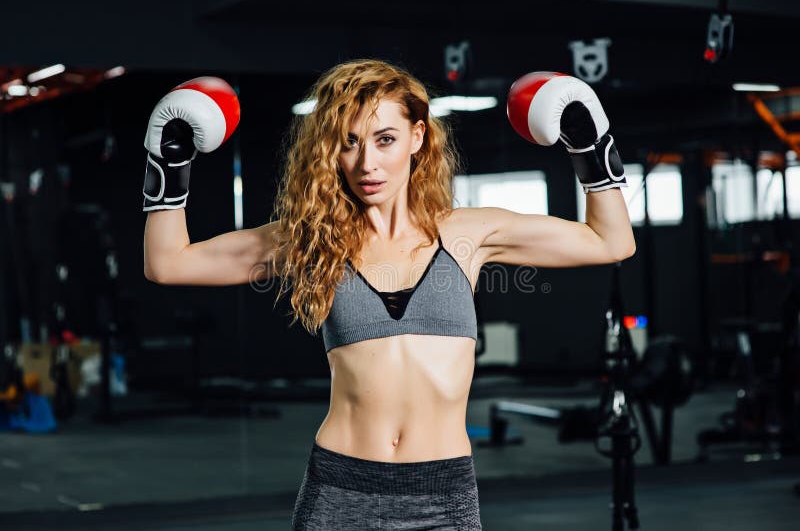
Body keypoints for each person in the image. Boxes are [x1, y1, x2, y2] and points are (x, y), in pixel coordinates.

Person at [141, 60, 635, 530]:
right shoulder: (311, 238)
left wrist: (591, 147)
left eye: (385, 140)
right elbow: (168, 263)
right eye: (349, 143)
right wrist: (168, 166)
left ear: (417, 137)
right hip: (339, 491)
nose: (366, 163)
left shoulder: (465, 236)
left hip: (443, 494)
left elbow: (610, 241)